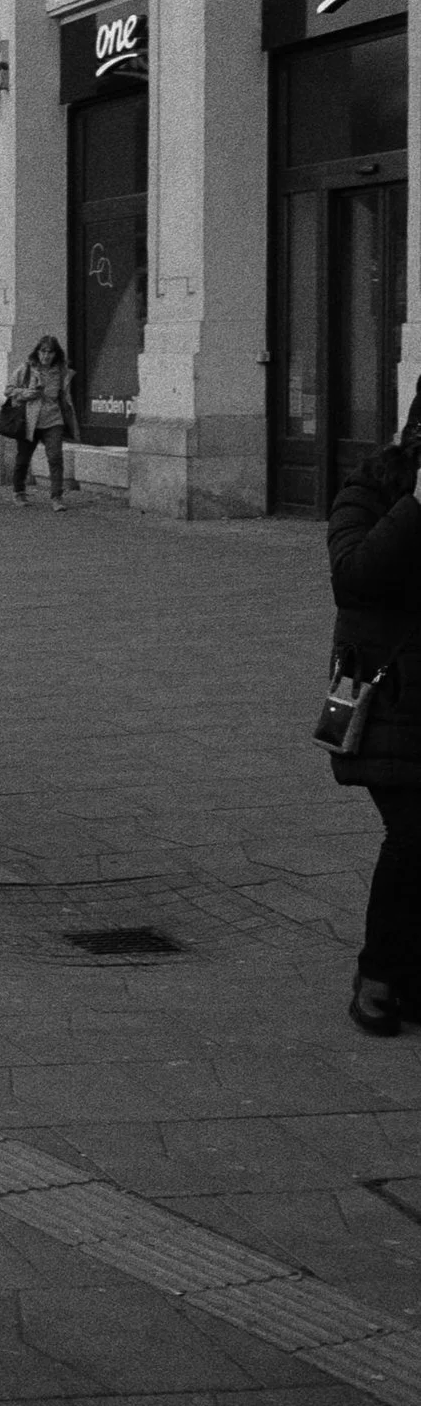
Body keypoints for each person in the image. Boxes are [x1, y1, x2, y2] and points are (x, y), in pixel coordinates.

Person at [325, 386, 421, 1033]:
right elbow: (352, 575)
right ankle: (378, 976)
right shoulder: (373, 488)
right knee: (415, 837)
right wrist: (419, 506)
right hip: (391, 704)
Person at [5, 335, 81, 511]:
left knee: (55, 457)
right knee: (23, 459)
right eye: (43, 351)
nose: (46, 355)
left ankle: (57, 497)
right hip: (29, 420)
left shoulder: (61, 372)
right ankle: (19, 491)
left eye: (50, 352)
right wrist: (26, 394)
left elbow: (64, 396)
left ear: (56, 354)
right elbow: (8, 390)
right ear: (37, 352)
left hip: (53, 420)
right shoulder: (26, 369)